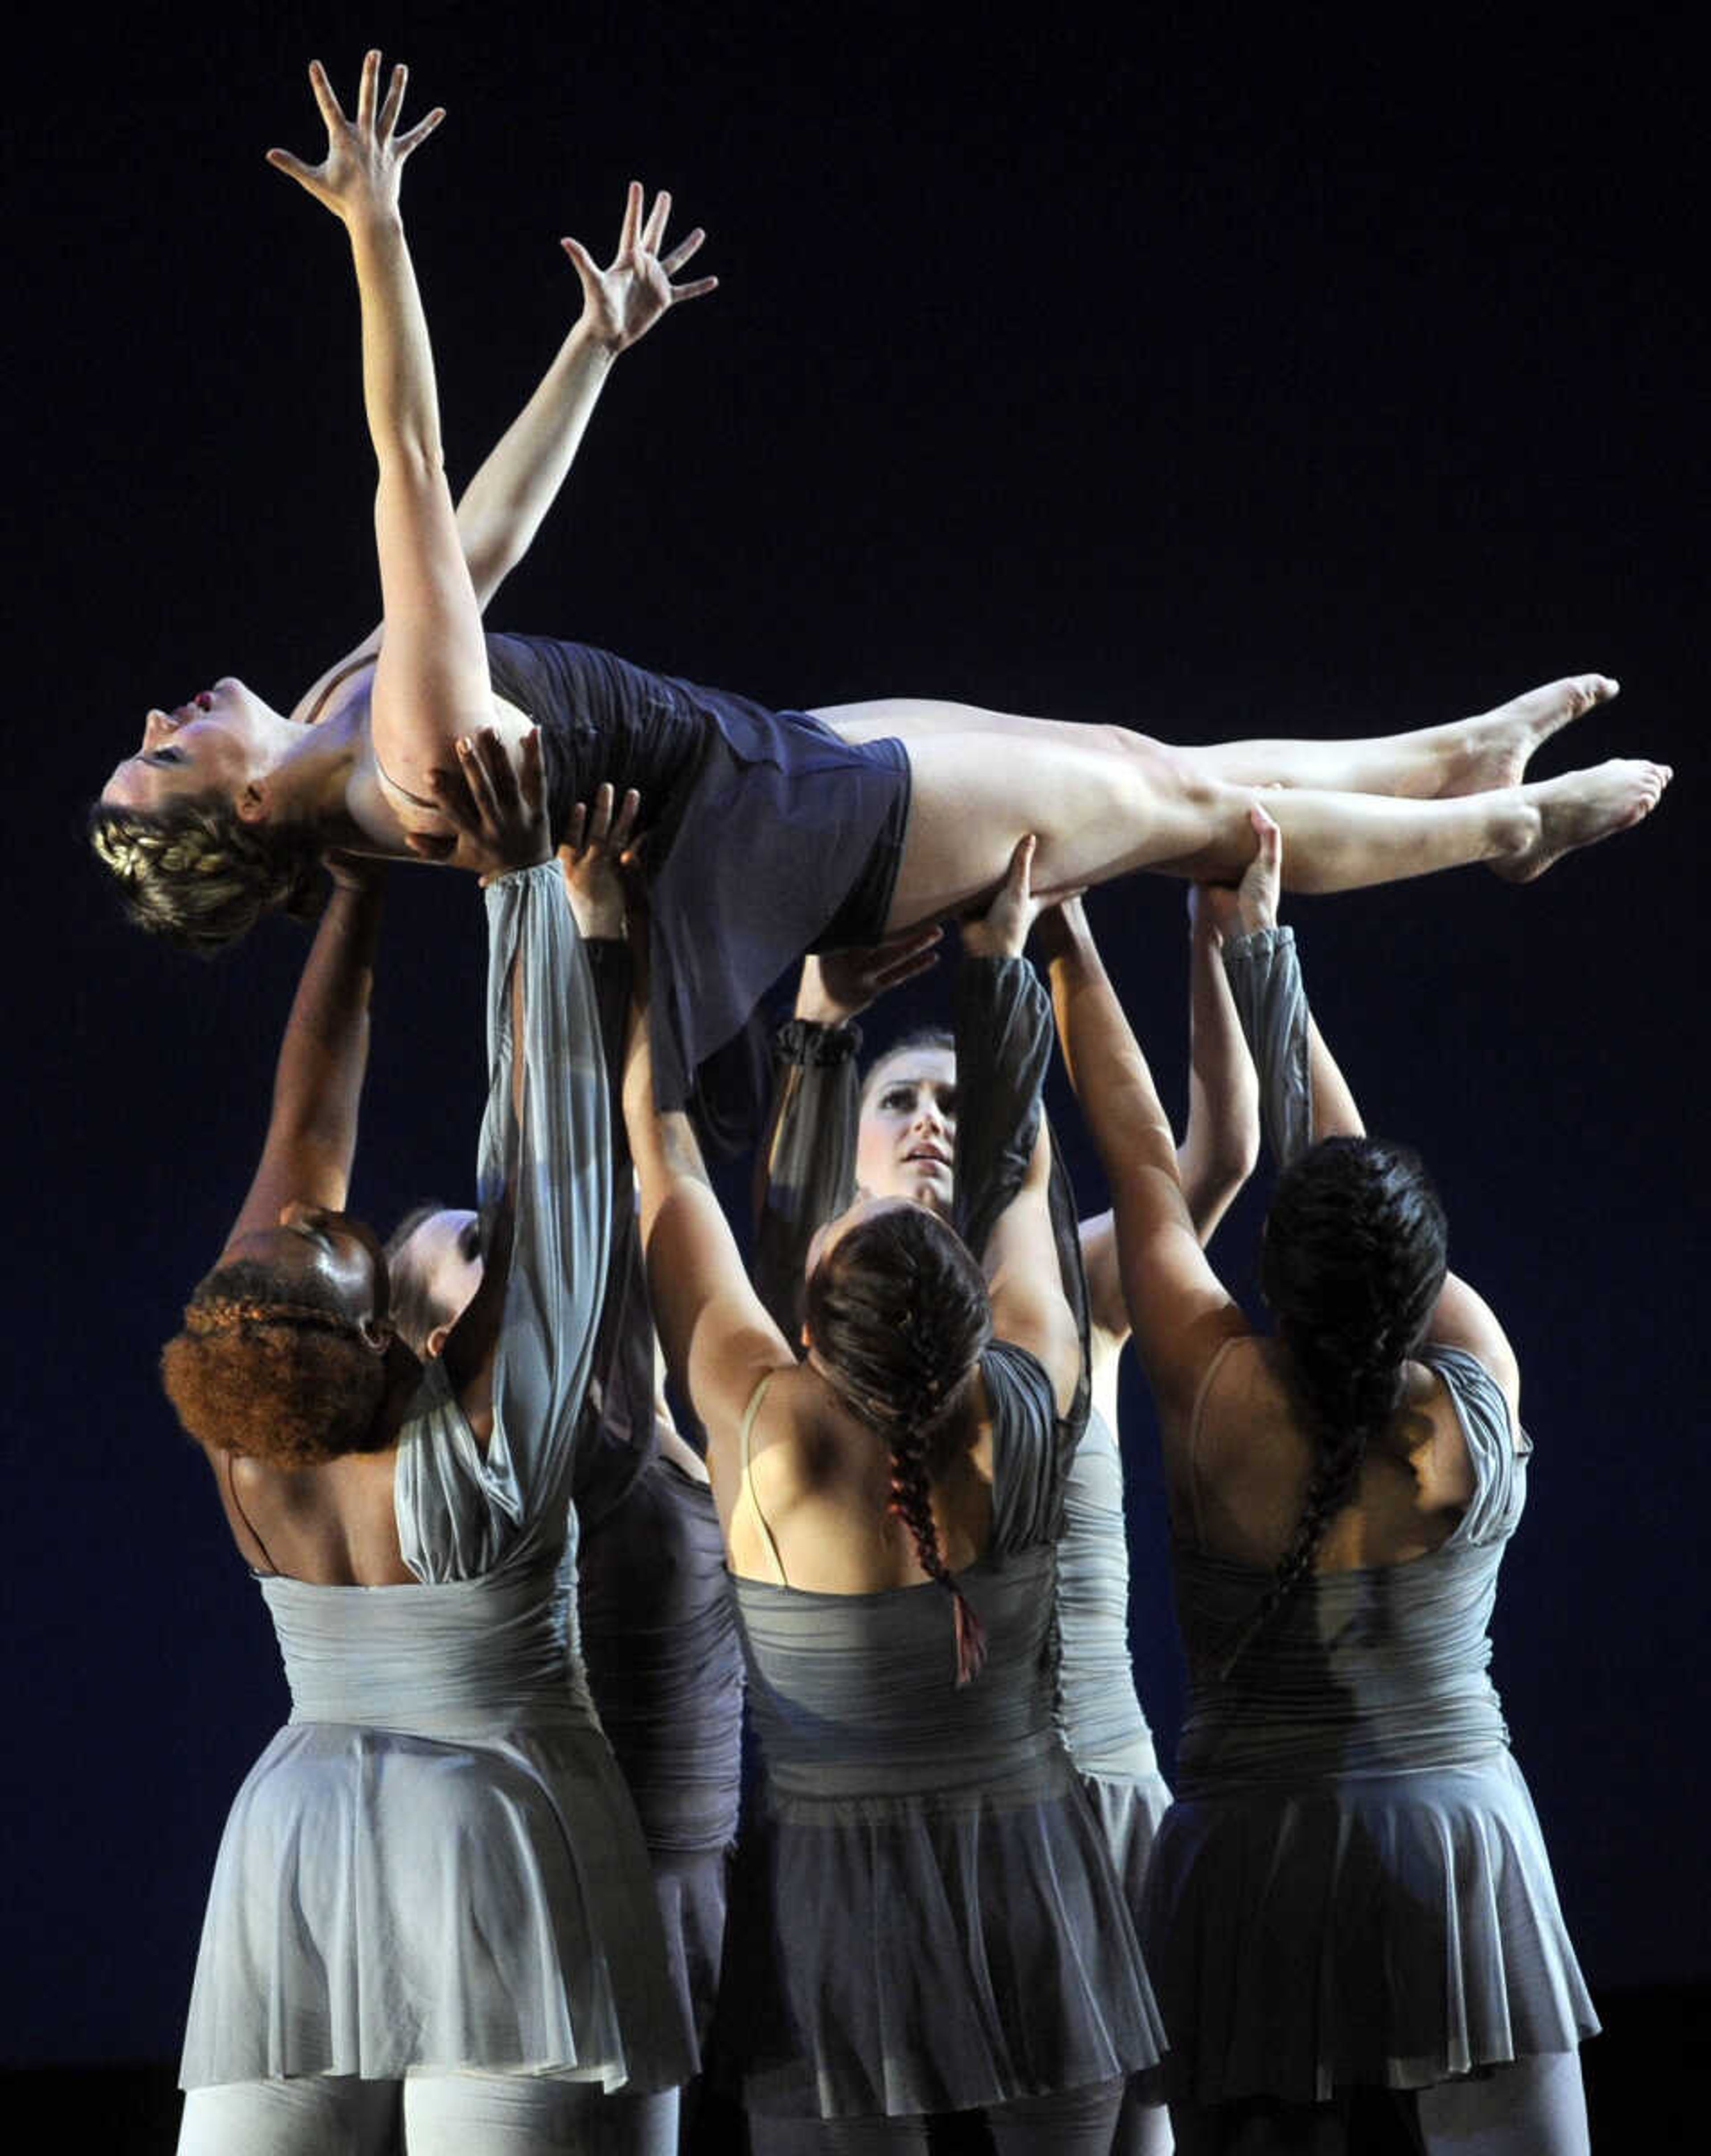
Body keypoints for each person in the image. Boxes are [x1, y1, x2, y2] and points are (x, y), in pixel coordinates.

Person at [91, 54, 1671, 1138]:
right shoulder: (417, 768)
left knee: (1134, 750)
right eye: (163, 753)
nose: (164, 715)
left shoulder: (330, 704)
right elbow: (415, 472)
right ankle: (1505, 833)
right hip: (777, 837)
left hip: (757, 760)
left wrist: (595, 349)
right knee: (1178, 813)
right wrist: (378, 234)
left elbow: (481, 546)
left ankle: (1446, 765)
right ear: (237, 819)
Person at [162, 735, 692, 2153]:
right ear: (377, 1339)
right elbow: (555, 1164)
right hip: (493, 1830)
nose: (316, 1212)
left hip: (301, 1833)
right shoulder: (474, 1445)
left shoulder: (248, 1428)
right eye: (333, 1243)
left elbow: (305, 1117)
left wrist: (356, 897)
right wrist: (524, 888)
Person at [1046, 814, 1597, 2153]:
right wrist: (1255, 951)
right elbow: (1344, 1180)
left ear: (1278, 1280)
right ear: (1424, 1294)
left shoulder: (1218, 1393)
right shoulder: (1476, 1387)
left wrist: (1062, 939)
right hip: (1453, 1841)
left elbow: (1140, 1161)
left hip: (1257, 1862)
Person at [622, 835, 1164, 2152]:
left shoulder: (763, 1425)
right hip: (1038, 1875)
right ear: (975, 1319)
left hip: (828, 1906)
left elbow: (665, 1165)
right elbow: (1031, 1176)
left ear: (807, 1319)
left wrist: (611, 923)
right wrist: (1005, 963)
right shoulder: (1029, 1398)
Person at [748, 897, 1260, 2156]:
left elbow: (1217, 1157)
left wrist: (1093, 942)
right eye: (898, 1102)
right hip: (883, 1814)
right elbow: (775, 1212)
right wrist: (822, 1021)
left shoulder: (1075, 1280)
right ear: (848, 1151)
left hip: (1086, 1775)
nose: (931, 1120)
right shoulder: (807, 1334)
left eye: (960, 1103)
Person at [385, 788, 745, 2155]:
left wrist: (602, 935)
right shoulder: (532, 1447)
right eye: (470, 1255)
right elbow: (554, 1160)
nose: (513, 1246)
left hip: (676, 1882)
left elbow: (618, 1168)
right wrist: (554, 921)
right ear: (424, 1337)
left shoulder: (624, 1398)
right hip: (550, 1897)